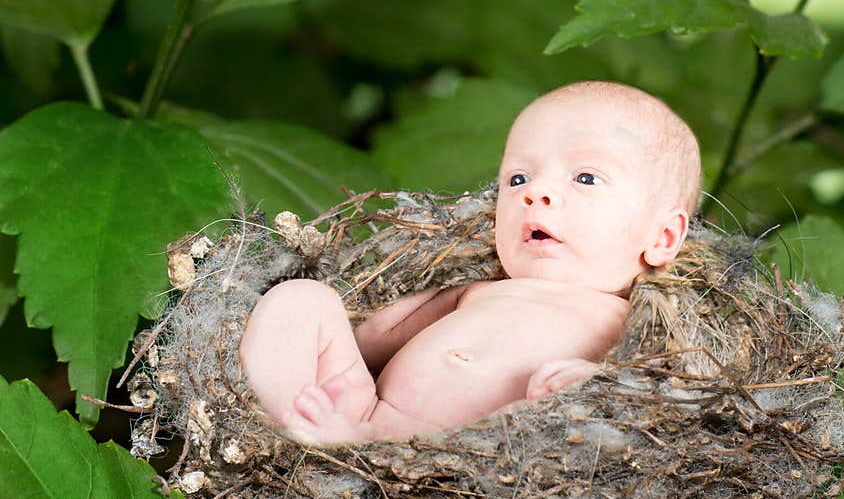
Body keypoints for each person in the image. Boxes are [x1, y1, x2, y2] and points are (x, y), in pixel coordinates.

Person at [239, 81, 702, 445]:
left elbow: (657, 399)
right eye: (517, 177)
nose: (534, 192)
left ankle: (340, 446)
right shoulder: (481, 289)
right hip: (364, 415)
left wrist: (594, 385)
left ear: (662, 238)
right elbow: (367, 339)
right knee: (304, 300)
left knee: (569, 411)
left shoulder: (627, 324)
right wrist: (321, 340)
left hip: (469, 459)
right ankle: (289, 423)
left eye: (585, 177)